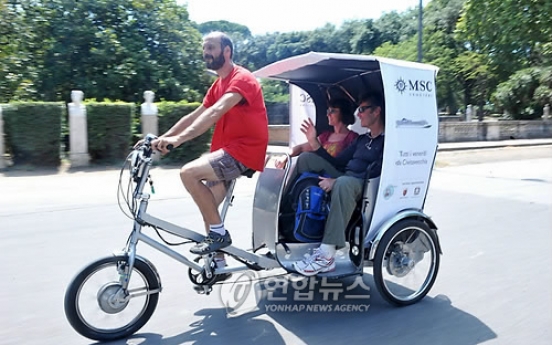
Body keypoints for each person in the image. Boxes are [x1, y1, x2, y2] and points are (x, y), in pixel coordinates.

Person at [150, 32, 268, 270]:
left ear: (227, 51)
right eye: (204, 48)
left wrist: (179, 140)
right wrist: (164, 137)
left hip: (243, 152)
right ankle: (219, 263)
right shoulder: (218, 84)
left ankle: (219, 236)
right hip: (226, 151)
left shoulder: (242, 78)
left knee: (188, 173)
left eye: (211, 47)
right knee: (209, 207)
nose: (206, 52)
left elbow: (215, 113)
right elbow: (195, 114)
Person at [287, 92, 385, 276]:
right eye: (358, 109)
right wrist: (314, 142)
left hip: (363, 184)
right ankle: (289, 217)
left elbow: (375, 172)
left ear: (376, 111)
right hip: (345, 176)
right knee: (307, 158)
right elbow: (337, 162)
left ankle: (327, 255)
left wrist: (336, 181)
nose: (359, 114)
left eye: (363, 109)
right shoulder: (362, 140)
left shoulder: (385, 142)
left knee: (343, 183)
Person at [275, 98, 358, 168]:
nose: (328, 115)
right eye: (327, 111)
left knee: (305, 158)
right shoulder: (326, 136)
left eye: (332, 111)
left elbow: (342, 163)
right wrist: (285, 156)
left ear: (343, 113)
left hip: (334, 174)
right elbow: (301, 147)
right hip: (318, 174)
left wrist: (314, 142)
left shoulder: (352, 137)